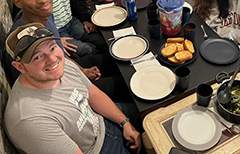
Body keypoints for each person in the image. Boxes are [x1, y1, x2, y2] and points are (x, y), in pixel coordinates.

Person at [4, 23, 142, 154]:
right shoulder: (31, 120)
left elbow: (93, 94)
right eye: (38, 56)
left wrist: (125, 123)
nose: (52, 59)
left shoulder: (61, 65)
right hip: (95, 150)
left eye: (52, 47)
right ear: (20, 67)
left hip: (100, 122)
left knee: (152, 112)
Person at [2, 0, 119, 100]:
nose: (42, 0)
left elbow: (60, 56)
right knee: (121, 84)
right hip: (60, 93)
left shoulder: (44, 15)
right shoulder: (22, 43)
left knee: (116, 59)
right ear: (18, 3)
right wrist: (81, 79)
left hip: (66, 69)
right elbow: (35, 89)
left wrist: (82, 71)